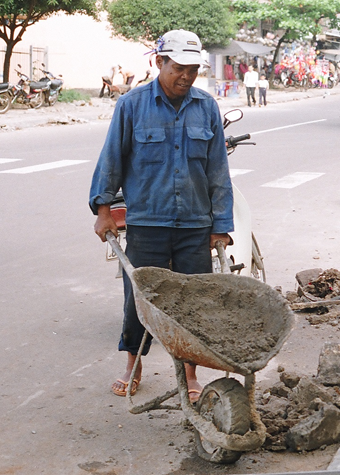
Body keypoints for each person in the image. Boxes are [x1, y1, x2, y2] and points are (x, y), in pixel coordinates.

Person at [89, 29, 234, 400]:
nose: (186, 76)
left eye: (193, 70)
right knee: (139, 300)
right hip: (148, 223)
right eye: (179, 68)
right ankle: (133, 364)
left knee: (193, 303)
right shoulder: (132, 105)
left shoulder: (206, 107)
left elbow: (218, 170)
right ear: (159, 62)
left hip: (195, 225)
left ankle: (189, 373)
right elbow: (111, 160)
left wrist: (221, 225)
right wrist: (103, 211)